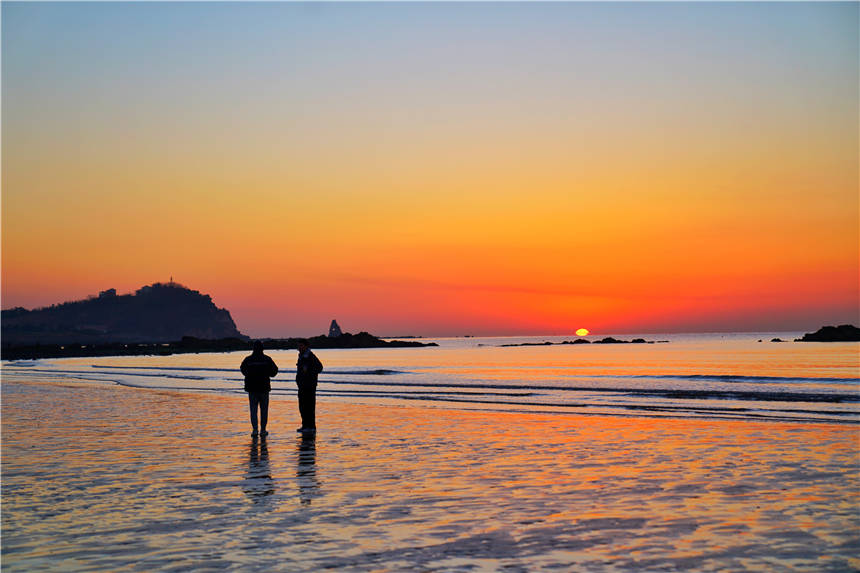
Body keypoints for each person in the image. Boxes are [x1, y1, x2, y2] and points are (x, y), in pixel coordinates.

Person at [240, 340, 278, 437]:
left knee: (253, 410)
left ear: (253, 348)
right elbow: (274, 371)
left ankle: (255, 430)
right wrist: (267, 373)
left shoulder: (248, 359)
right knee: (264, 410)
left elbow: (243, 369)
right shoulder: (267, 359)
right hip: (264, 388)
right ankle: (263, 430)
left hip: (252, 388)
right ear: (262, 349)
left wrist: (249, 375)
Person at [295, 339, 323, 433]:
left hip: (309, 386)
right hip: (302, 386)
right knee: (302, 407)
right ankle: (305, 426)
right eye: (298, 346)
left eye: (301, 346)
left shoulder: (311, 356)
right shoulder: (301, 356)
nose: (299, 348)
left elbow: (320, 367)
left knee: (309, 407)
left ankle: (311, 427)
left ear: (306, 346)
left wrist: (310, 373)